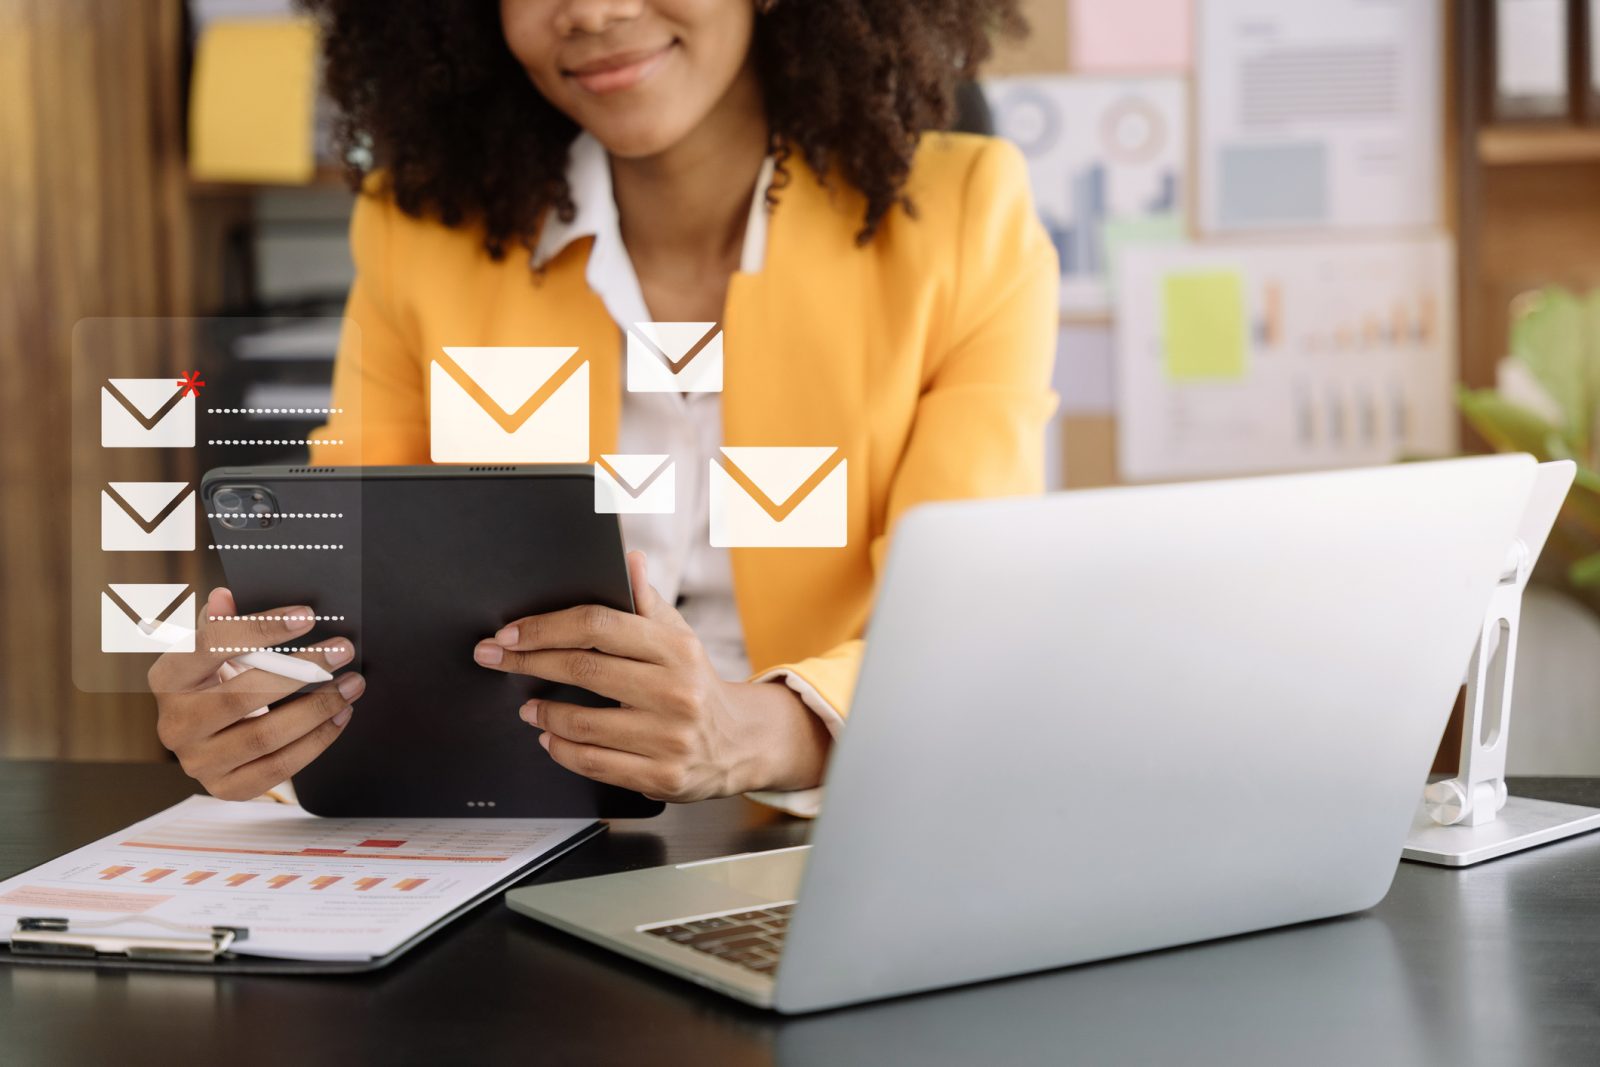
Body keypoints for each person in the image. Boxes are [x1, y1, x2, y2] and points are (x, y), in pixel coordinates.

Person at [151, 0, 1057, 810]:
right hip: (520, 820)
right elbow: (348, 585)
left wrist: (755, 732)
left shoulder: (964, 218)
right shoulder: (419, 230)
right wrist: (260, 698)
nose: (590, 11)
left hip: (841, 822)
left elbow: (966, 615)